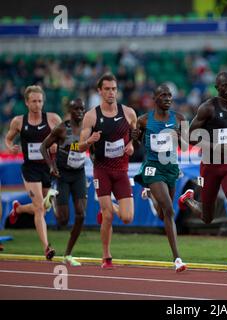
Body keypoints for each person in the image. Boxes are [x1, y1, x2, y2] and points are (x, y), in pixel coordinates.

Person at [178, 72, 227, 274]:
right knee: (207, 217)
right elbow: (189, 136)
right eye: (226, 85)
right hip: (210, 165)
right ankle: (188, 200)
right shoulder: (207, 108)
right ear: (217, 88)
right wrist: (215, 146)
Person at [79, 74, 137, 269]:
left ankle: (108, 207)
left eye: (114, 89)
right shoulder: (91, 116)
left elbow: (134, 138)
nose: (111, 92)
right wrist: (90, 141)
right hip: (102, 170)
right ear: (100, 91)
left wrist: (131, 146)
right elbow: (79, 146)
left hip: (121, 170)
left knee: (127, 218)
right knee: (108, 216)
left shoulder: (128, 113)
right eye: (107, 89)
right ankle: (106, 256)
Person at [132, 84, 187, 272]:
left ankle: (151, 194)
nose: (168, 98)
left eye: (170, 95)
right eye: (163, 95)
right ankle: (177, 258)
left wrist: (180, 137)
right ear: (154, 99)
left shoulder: (179, 119)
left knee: (164, 214)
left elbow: (187, 146)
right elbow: (137, 145)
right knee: (170, 211)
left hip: (170, 168)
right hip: (152, 168)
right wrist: (135, 137)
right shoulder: (144, 120)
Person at [4, 85, 61, 259]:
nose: (37, 105)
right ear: (27, 103)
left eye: (40, 101)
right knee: (38, 208)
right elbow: (8, 138)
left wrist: (56, 146)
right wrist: (10, 147)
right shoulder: (19, 121)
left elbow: (65, 140)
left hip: (47, 168)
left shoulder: (52, 119)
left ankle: (19, 209)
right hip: (30, 169)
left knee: (44, 209)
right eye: (34, 101)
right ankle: (47, 248)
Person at [40, 98, 87, 266]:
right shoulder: (62, 129)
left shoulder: (88, 127)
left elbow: (95, 147)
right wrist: (51, 166)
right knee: (63, 221)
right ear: (69, 110)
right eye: (76, 109)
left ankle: (68, 254)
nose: (80, 112)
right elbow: (43, 147)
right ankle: (52, 200)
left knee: (81, 214)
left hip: (79, 173)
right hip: (64, 175)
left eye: (82, 108)